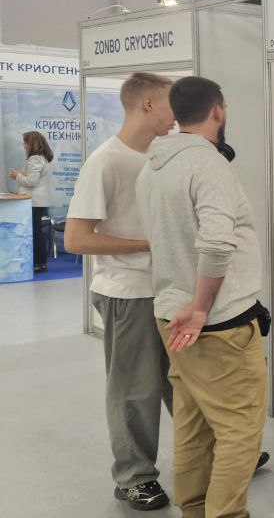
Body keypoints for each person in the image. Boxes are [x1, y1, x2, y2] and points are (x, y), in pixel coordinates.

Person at [136, 76, 267, 518]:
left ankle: (194, 509)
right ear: (218, 111)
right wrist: (200, 309)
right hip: (215, 323)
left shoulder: (154, 166)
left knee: (193, 423)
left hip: (171, 316)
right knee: (239, 429)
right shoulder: (208, 165)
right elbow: (215, 245)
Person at [64, 73, 177, 510]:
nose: (176, 114)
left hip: (171, 290)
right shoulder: (105, 162)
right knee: (135, 389)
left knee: (185, 381)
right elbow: (76, 239)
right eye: (171, 103)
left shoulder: (164, 155)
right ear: (148, 104)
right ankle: (135, 477)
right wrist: (148, 245)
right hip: (127, 293)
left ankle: (211, 451)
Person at [9, 131, 54, 272]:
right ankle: (40, 263)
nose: (24, 145)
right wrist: (20, 174)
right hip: (37, 202)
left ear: (31, 144)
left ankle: (37, 263)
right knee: (36, 232)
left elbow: (31, 182)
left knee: (34, 233)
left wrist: (17, 175)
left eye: (25, 142)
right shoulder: (42, 158)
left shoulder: (35, 159)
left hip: (33, 202)